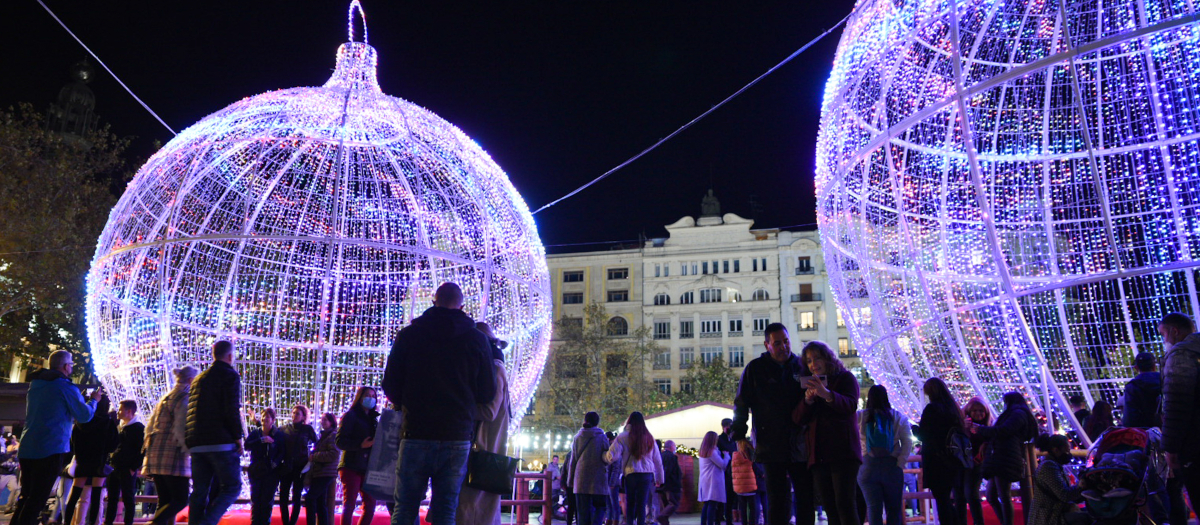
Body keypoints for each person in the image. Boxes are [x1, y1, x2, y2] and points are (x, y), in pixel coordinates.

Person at [382, 282, 497, 525]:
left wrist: (409, 405)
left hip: (416, 432)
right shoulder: (477, 340)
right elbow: (487, 392)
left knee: (404, 508)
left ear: (433, 302)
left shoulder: (409, 335)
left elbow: (390, 384)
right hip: (456, 435)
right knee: (446, 510)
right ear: (462, 306)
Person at [731, 323, 813, 525]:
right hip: (771, 444)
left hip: (800, 442)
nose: (784, 347)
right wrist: (740, 436)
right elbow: (741, 404)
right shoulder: (756, 369)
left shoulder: (801, 366)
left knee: (805, 497)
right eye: (778, 343)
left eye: (786, 341)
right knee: (777, 500)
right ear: (767, 344)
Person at [13, 350, 100, 525]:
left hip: (28, 447)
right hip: (51, 448)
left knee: (26, 497)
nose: (72, 368)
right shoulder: (65, 386)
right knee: (37, 499)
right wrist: (94, 401)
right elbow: (84, 416)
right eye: (72, 365)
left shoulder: (36, 385)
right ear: (66, 366)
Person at [792, 341, 861, 525]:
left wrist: (827, 394)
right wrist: (808, 401)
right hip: (819, 456)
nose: (813, 364)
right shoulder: (808, 384)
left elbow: (851, 405)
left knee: (845, 505)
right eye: (809, 360)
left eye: (817, 358)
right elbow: (798, 419)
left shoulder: (845, 378)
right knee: (830, 508)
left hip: (843, 453)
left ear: (827, 357)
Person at [454, 322, 512, 525]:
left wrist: (454, 405)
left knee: (470, 510)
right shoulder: (491, 368)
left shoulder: (495, 368)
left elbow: (488, 411)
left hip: (482, 451)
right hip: (482, 451)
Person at [186, 340, 246, 525]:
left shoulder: (199, 379)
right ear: (229, 356)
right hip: (221, 442)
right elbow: (231, 410)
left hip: (197, 442)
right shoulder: (230, 375)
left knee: (199, 491)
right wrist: (239, 437)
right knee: (232, 487)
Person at [969, 392, 1036, 525]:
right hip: (1000, 457)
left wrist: (981, 429)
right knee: (992, 496)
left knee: (1003, 495)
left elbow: (1003, 431)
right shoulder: (1016, 414)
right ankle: (1004, 522)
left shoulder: (1017, 414)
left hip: (1005, 457)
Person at [143, 366, 197, 525]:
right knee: (181, 499)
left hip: (156, 453)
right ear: (190, 380)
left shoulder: (167, 396)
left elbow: (150, 426)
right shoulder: (185, 397)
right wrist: (189, 450)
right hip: (173, 454)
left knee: (165, 500)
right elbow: (182, 428)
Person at [1161, 311, 1200, 515]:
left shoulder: (1181, 355)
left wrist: (1171, 447)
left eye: (1163, 334)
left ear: (1174, 332)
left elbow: (1176, 405)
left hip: (1194, 444)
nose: (1164, 340)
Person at [856, 385, 913, 525]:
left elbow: (849, 438)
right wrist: (900, 463)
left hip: (867, 467)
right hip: (892, 467)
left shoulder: (859, 416)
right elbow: (907, 442)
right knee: (894, 510)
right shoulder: (898, 417)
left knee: (873, 510)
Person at [915, 377, 966, 525]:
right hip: (954, 459)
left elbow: (924, 434)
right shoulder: (953, 410)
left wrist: (914, 429)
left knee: (942, 499)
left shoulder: (932, 409)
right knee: (949, 498)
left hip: (936, 460)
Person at [64, 395, 117, 525]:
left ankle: (66, 522)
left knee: (75, 495)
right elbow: (113, 443)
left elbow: (73, 441)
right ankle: (93, 522)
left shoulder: (82, 420)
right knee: (96, 496)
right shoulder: (107, 421)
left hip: (83, 461)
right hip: (99, 461)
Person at [605, 411, 664, 525]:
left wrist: (604, 457)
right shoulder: (649, 437)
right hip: (646, 475)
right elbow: (657, 460)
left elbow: (612, 456)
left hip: (630, 473)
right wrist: (660, 478)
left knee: (630, 503)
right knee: (642, 504)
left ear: (629, 421)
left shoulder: (623, 437)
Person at [336, 387, 379, 525]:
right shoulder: (351, 416)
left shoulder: (374, 419)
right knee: (349, 504)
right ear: (360, 397)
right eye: (367, 395)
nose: (371, 398)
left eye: (373, 396)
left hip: (368, 467)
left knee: (371, 505)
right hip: (351, 465)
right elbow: (340, 441)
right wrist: (361, 445)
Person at [1026, 434, 1087, 525]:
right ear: (1056, 450)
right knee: (1087, 518)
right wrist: (1081, 486)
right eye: (1067, 451)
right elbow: (1064, 495)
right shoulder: (1048, 467)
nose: (1069, 454)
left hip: (1054, 513)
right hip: (1048, 518)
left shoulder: (1054, 465)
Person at [105, 400, 146, 525]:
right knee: (112, 497)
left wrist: (133, 467)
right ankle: (108, 522)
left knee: (128, 498)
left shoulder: (138, 428)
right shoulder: (119, 426)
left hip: (127, 468)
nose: (118, 411)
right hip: (114, 467)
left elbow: (142, 450)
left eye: (121, 409)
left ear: (129, 411)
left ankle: (128, 522)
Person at [566, 412, 610, 525]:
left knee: (582, 512)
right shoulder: (602, 437)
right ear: (597, 422)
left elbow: (573, 461)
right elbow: (606, 457)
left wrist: (570, 481)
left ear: (585, 420)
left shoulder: (577, 438)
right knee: (600, 507)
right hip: (598, 480)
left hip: (581, 480)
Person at [246, 408, 288, 525]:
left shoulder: (278, 435)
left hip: (271, 472)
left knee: (267, 501)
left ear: (273, 420)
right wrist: (261, 440)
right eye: (263, 416)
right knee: (256, 500)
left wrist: (275, 464)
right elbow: (247, 445)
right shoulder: (256, 433)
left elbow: (282, 451)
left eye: (268, 417)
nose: (264, 419)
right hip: (256, 471)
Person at [280, 406, 317, 525]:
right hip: (286, 467)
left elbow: (317, 442)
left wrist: (312, 456)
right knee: (283, 497)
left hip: (300, 467)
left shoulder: (307, 429)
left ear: (303, 417)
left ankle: (292, 523)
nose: (294, 415)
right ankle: (286, 522)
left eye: (298, 414)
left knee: (296, 497)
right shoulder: (284, 429)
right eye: (293, 413)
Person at [305, 413, 340, 525]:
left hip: (325, 472)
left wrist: (314, 456)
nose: (323, 422)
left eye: (326, 420)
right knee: (321, 503)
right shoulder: (324, 436)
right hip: (320, 472)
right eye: (322, 419)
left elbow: (333, 454)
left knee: (310, 498)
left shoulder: (332, 435)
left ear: (331, 422)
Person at [962, 397, 991, 525]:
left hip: (978, 464)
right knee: (965, 495)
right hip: (964, 464)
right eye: (974, 411)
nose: (978, 413)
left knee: (972, 494)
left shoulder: (988, 427)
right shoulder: (963, 425)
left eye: (981, 411)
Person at [1123, 352, 1162, 428]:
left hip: (1144, 432)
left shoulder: (1132, 386)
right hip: (1169, 429)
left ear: (1136, 368)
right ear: (1154, 366)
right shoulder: (1167, 381)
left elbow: (1130, 418)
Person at [697, 431, 729, 525]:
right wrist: (727, 456)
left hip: (706, 480)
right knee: (712, 503)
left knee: (707, 504)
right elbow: (722, 465)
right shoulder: (712, 452)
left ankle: (704, 523)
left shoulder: (704, 451)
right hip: (713, 480)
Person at [731, 439, 761, 525]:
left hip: (739, 487)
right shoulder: (749, 457)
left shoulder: (735, 456)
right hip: (750, 486)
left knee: (742, 508)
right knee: (752, 508)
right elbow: (755, 467)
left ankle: (744, 523)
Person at [716, 419, 737, 525]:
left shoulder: (733, 440)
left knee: (731, 498)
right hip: (724, 472)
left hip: (733, 471)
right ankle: (719, 519)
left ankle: (729, 520)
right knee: (722, 498)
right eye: (729, 426)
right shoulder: (719, 440)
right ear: (724, 427)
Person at [656, 440, 681, 525]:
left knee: (664, 505)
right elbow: (669, 471)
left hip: (661, 485)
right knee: (673, 503)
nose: (675, 448)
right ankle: (661, 517)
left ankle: (665, 522)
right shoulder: (672, 457)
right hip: (670, 485)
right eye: (674, 446)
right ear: (671, 447)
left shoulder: (660, 455)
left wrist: (658, 481)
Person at [604, 433, 622, 525]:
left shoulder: (614, 450)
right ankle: (609, 520)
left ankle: (614, 521)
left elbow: (616, 468)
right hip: (608, 482)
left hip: (612, 483)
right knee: (609, 504)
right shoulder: (610, 450)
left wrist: (612, 483)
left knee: (613, 504)